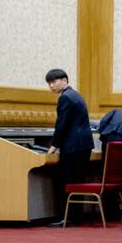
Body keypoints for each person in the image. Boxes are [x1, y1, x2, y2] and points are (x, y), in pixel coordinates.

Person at [44, 69, 94, 227]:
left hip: (73, 146)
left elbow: (62, 124)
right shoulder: (75, 95)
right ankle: (75, 217)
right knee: (77, 181)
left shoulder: (65, 97)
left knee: (68, 182)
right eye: (49, 83)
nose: (52, 85)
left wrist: (54, 145)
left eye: (55, 81)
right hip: (83, 145)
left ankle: (66, 218)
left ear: (65, 80)